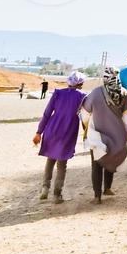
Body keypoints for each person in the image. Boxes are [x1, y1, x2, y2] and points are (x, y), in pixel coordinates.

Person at [80, 68, 127, 204]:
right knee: (111, 160)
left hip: (97, 135)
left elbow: (85, 114)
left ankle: (97, 196)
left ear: (105, 78)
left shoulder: (95, 93)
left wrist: (85, 126)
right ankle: (108, 188)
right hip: (117, 135)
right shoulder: (123, 92)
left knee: (97, 164)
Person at [32, 71, 85, 203]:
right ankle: (57, 194)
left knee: (51, 159)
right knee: (62, 164)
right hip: (68, 130)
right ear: (79, 83)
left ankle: (45, 187)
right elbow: (86, 117)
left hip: (52, 128)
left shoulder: (57, 93)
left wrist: (39, 132)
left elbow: (47, 113)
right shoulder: (83, 96)